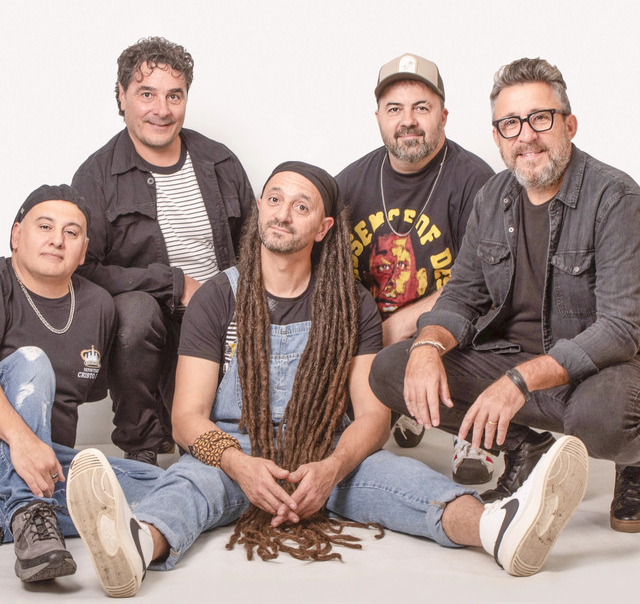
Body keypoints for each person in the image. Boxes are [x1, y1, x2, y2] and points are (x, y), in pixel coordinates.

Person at [65, 162, 588, 598]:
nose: (282, 213)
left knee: (406, 481)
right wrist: (239, 465)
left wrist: (333, 468)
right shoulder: (217, 297)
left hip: (326, 449)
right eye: (274, 199)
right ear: (259, 210)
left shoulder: (350, 303)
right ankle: (136, 547)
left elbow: (373, 416)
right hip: (235, 449)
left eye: (301, 206)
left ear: (323, 228)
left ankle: (498, 530)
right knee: (189, 485)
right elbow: (186, 418)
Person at [370, 57, 640, 533]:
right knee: (393, 367)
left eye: (540, 118)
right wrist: (428, 346)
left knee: (602, 419)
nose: (526, 136)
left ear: (569, 125)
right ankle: (524, 448)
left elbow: (620, 330)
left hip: (597, 370)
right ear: (497, 137)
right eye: (510, 124)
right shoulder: (493, 197)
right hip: (513, 360)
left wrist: (518, 381)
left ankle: (633, 461)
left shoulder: (615, 197)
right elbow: (462, 295)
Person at [72, 37, 255, 465]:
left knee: (217, 445)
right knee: (134, 313)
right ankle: (142, 449)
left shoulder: (219, 162)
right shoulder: (96, 176)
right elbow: (83, 270)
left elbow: (255, 246)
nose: (162, 109)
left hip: (223, 318)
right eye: (147, 94)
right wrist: (173, 283)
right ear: (121, 97)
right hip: (151, 325)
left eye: (174, 95)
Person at [336, 53, 495, 483]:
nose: (408, 120)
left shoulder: (476, 182)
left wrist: (400, 325)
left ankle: (471, 430)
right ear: (378, 118)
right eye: (395, 109)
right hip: (372, 332)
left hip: (450, 332)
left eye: (421, 107)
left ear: (444, 115)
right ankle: (402, 403)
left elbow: (484, 285)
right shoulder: (349, 183)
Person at [0, 185, 162, 584]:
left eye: (71, 232)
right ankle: (28, 512)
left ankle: (21, 514)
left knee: (162, 484)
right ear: (16, 235)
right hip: (10, 449)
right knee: (32, 362)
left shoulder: (98, 305)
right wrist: (22, 440)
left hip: (51, 466)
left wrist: (38, 452)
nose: (58, 239)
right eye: (45, 226)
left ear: (84, 250)